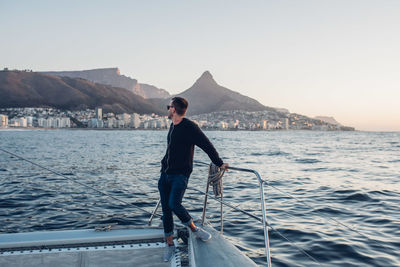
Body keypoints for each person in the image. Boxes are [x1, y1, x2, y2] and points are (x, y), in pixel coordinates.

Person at [159, 97, 229, 262]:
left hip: (180, 175)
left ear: (174, 109)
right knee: (166, 211)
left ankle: (194, 229)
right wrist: (163, 167)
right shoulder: (172, 126)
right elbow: (170, 150)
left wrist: (219, 163)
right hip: (165, 175)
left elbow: (207, 145)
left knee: (174, 204)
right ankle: (169, 245)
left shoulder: (190, 127)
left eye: (169, 106)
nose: (167, 109)